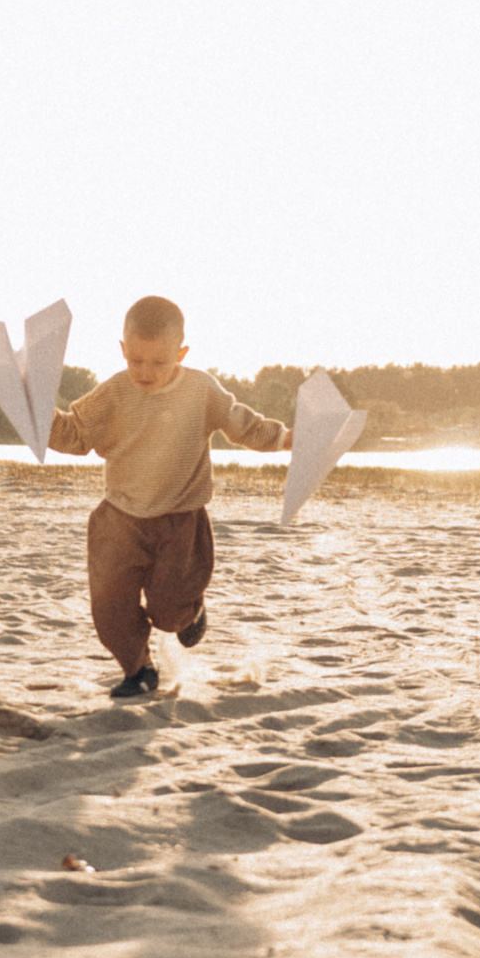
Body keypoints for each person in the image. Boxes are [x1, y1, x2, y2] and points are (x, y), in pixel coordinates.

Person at [49, 297, 290, 698]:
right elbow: (75, 434)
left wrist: (284, 438)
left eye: (159, 362)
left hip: (179, 519)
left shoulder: (200, 390)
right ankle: (139, 669)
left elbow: (242, 425)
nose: (146, 372)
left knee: (168, 610)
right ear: (123, 349)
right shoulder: (113, 393)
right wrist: (36, 413)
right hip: (118, 519)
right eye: (136, 360)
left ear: (181, 353)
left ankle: (190, 612)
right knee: (110, 609)